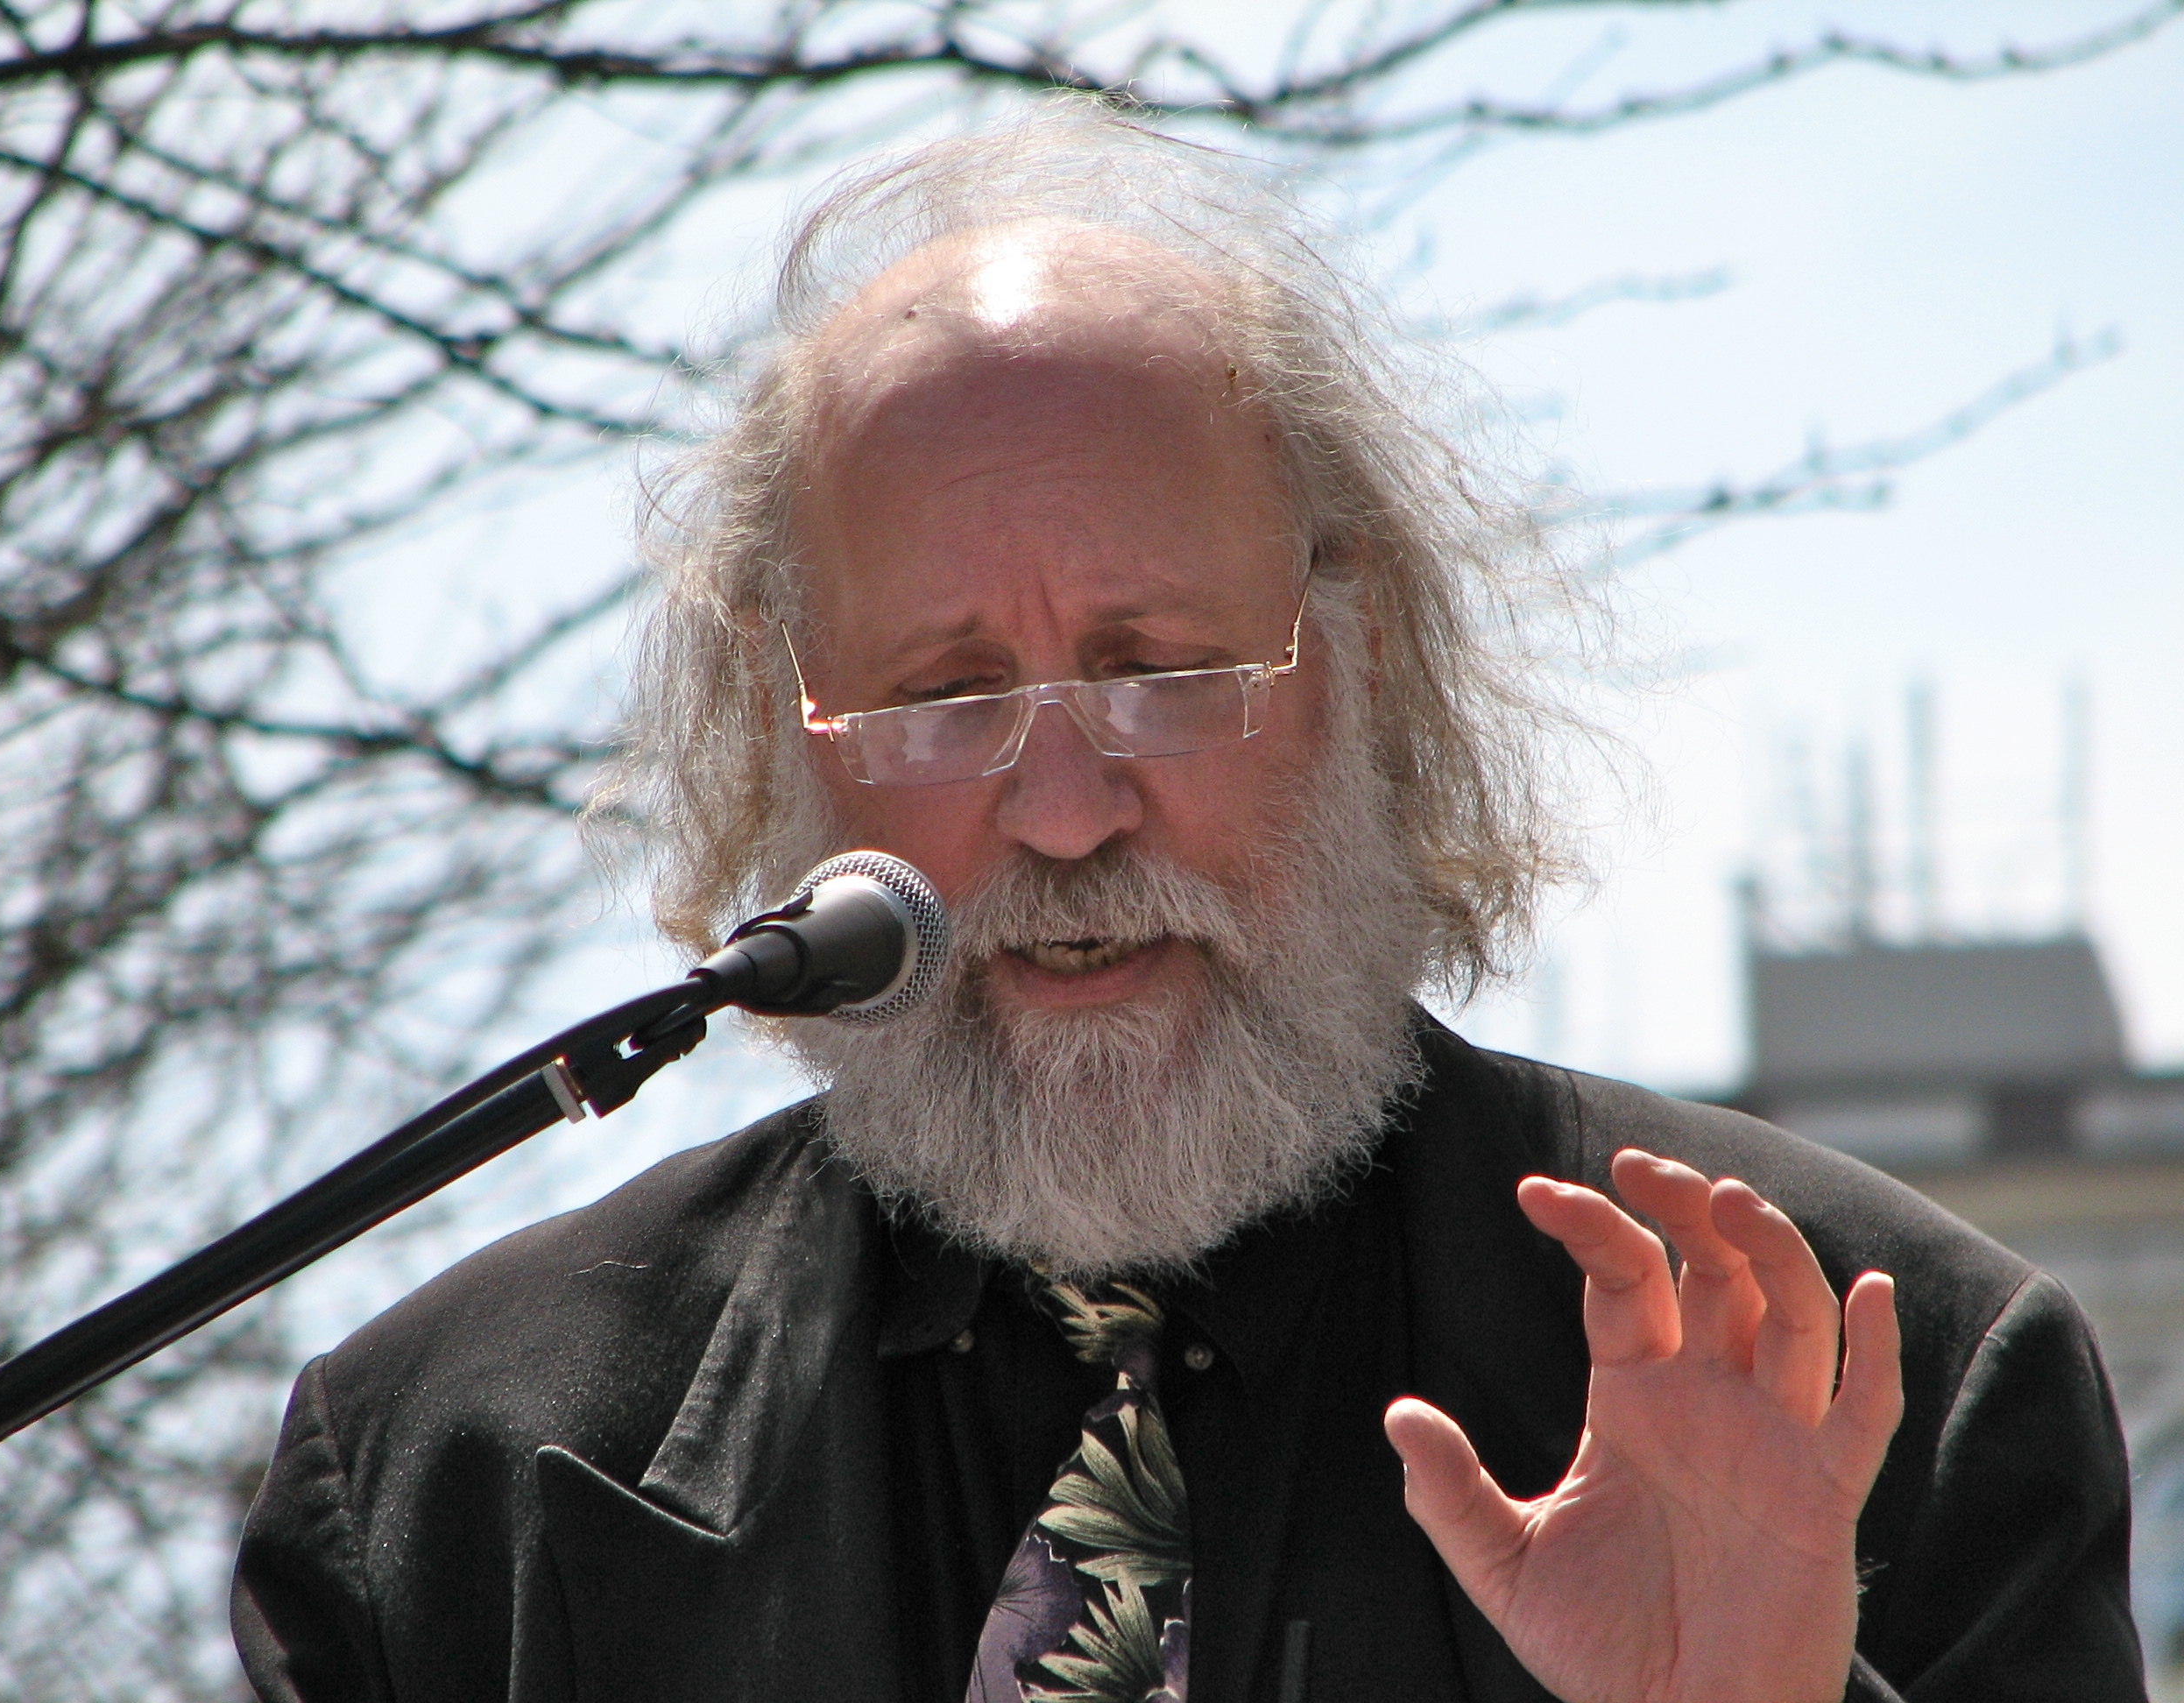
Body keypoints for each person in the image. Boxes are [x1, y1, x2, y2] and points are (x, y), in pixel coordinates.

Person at [230, 108, 2141, 1702]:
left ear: (1359, 670)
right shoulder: (442, 1491)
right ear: (789, 733)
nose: (1064, 816)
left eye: (1164, 670)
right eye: (944, 697)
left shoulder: (1888, 1395)